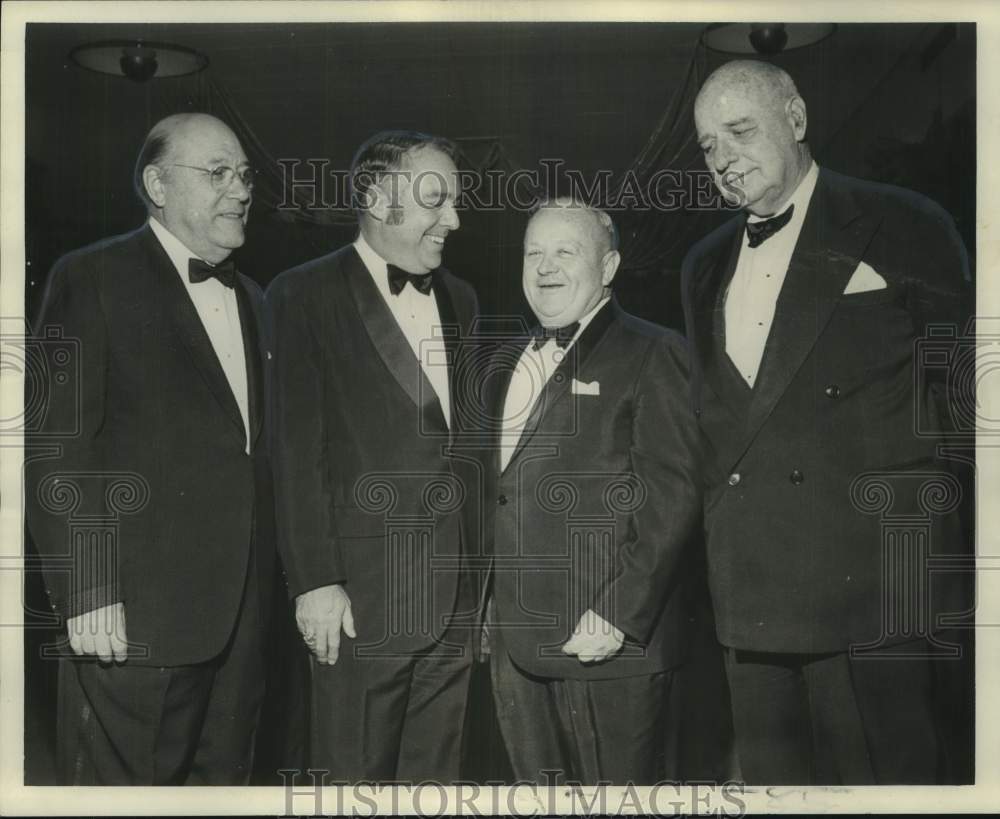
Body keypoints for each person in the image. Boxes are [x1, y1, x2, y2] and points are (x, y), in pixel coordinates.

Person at [681, 59, 973, 784]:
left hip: (872, 596)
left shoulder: (906, 222)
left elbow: (969, 406)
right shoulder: (701, 264)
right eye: (709, 146)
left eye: (741, 131)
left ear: (798, 120)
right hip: (750, 600)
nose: (723, 159)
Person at [25, 113, 274, 785]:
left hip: (241, 626)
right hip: (133, 621)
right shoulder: (93, 276)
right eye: (217, 173)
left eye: (245, 175)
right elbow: (57, 448)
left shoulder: (253, 297)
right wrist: (89, 586)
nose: (240, 189)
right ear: (157, 184)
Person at [266, 130, 479, 782]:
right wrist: (314, 579)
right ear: (376, 195)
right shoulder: (301, 294)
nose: (455, 220)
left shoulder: (462, 299)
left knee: (433, 783)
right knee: (352, 780)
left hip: (454, 597)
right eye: (436, 201)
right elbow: (295, 451)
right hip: (359, 601)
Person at [482, 198, 702, 784]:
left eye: (565, 251)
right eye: (533, 253)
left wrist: (618, 615)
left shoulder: (656, 351)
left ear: (609, 267)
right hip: (515, 649)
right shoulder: (505, 359)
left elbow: (673, 497)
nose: (545, 267)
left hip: (608, 644)